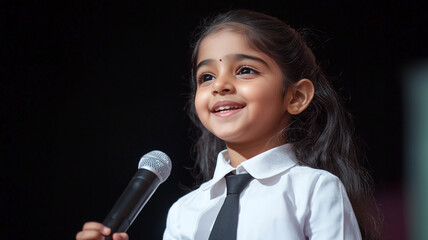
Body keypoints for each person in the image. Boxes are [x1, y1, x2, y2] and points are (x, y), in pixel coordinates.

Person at [76, 9, 381, 240]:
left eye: (245, 70)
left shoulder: (313, 189)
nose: (220, 85)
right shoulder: (185, 211)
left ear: (296, 96)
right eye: (206, 77)